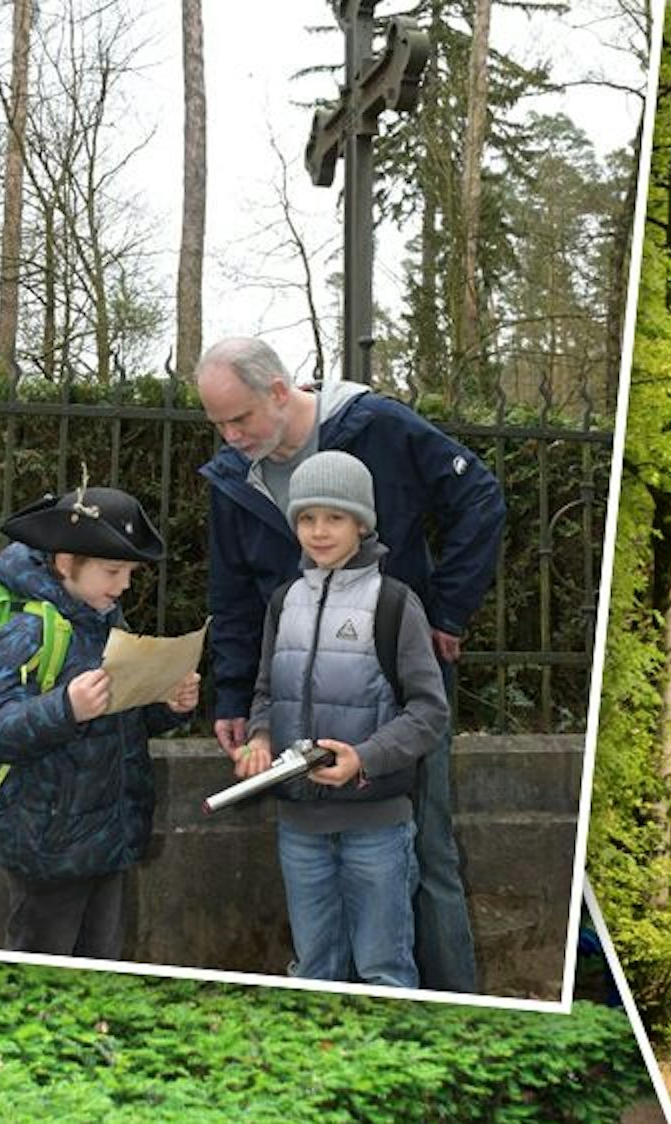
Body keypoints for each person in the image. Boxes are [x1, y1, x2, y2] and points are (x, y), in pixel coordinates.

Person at [196, 335, 505, 994]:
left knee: (425, 847)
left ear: (280, 392)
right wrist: (233, 700)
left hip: (393, 679)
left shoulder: (379, 426)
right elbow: (232, 598)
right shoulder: (232, 478)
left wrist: (445, 612)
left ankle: (454, 1005)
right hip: (294, 693)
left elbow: (477, 497)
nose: (229, 436)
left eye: (240, 418)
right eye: (217, 423)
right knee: (314, 854)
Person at [238, 451, 448, 987]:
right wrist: (260, 737)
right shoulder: (283, 603)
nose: (319, 531)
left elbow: (429, 712)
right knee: (313, 972)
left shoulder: (396, 605)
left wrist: (366, 758)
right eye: (307, 518)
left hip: (376, 828)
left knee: (385, 973)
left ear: (362, 523)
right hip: (299, 830)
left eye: (334, 517)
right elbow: (265, 692)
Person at [0, 486, 201, 959]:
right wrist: (64, 709)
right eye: (113, 572)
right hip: (49, 849)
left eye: (130, 574)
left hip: (107, 841)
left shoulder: (103, 620)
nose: (124, 586)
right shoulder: (29, 629)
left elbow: (121, 718)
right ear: (65, 562)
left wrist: (168, 703)